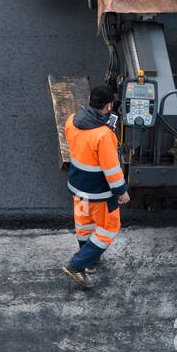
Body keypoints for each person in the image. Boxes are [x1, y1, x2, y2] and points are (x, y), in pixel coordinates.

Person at [60, 85, 129, 290]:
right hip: (99, 193)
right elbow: (111, 169)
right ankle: (77, 264)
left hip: (78, 189)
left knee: (84, 226)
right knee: (108, 228)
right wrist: (122, 191)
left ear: (89, 99)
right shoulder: (103, 135)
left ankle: (90, 261)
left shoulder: (72, 120)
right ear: (109, 106)